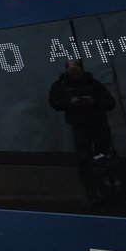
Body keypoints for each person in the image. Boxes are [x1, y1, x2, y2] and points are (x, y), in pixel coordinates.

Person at [49, 59, 117, 199]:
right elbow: (54, 103)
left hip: (97, 125)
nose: (75, 74)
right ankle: (93, 190)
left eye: (77, 70)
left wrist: (94, 102)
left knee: (102, 156)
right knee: (85, 159)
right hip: (81, 126)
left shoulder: (94, 84)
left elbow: (110, 103)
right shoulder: (62, 85)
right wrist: (70, 103)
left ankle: (107, 188)